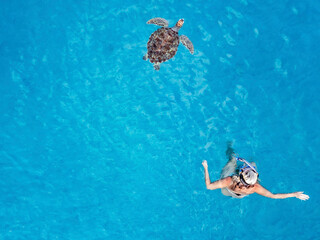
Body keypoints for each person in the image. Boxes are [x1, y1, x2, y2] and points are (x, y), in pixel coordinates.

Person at [202, 144, 309, 200]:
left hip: (227, 190)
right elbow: (274, 196)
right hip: (241, 195)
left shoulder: (229, 180)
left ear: (241, 174)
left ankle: (229, 148)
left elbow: (209, 186)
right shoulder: (255, 187)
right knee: (253, 163)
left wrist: (206, 168)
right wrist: (294, 194)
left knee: (232, 160)